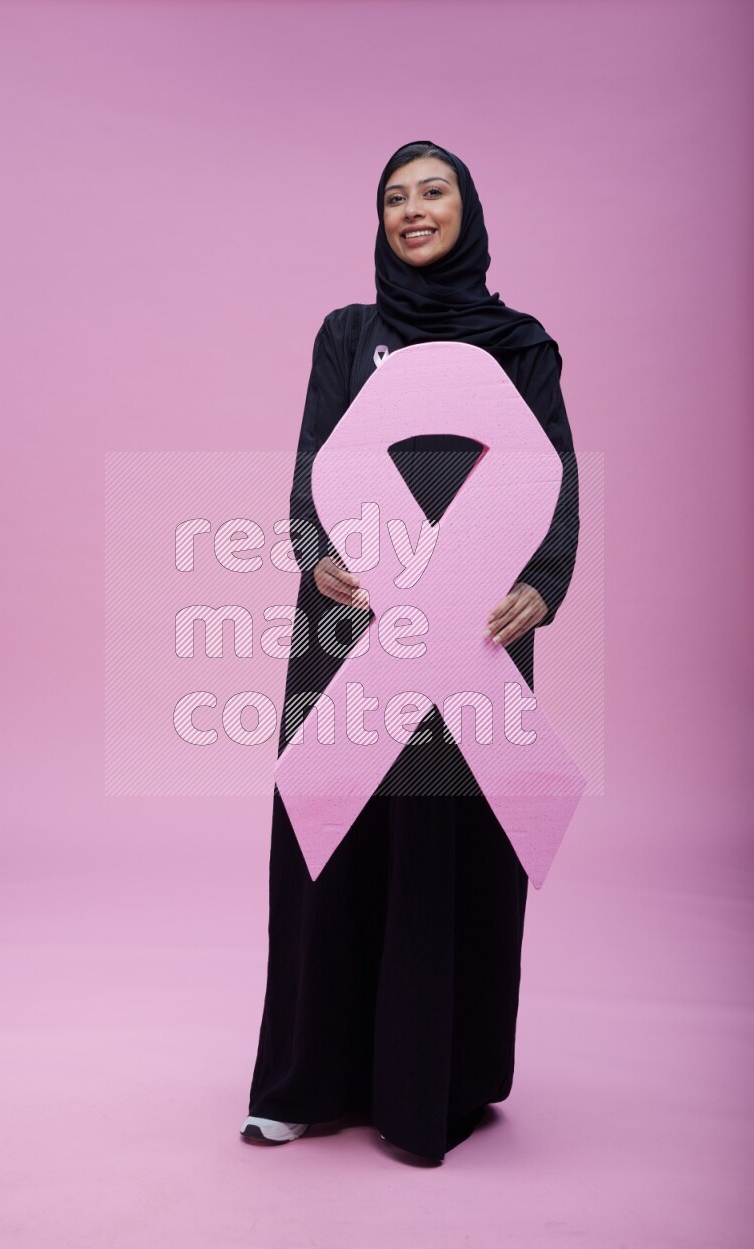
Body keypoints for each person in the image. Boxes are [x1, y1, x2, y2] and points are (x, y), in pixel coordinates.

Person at [240, 140, 580, 1162]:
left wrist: (545, 582)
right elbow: (313, 457)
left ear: (465, 211)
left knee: (442, 847)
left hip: (470, 627)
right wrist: (315, 548)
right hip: (350, 622)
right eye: (394, 197)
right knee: (328, 842)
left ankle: (426, 1089)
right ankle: (300, 1083)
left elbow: (551, 468)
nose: (411, 210)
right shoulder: (348, 333)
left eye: (431, 192)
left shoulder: (518, 342)